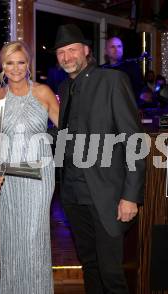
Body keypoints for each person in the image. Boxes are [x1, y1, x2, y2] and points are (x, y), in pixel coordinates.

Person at [54, 24, 146, 294]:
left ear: (86, 51)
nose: (67, 57)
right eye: (61, 52)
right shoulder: (63, 86)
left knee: (111, 273)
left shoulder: (112, 81)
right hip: (73, 195)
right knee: (90, 265)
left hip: (107, 195)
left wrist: (131, 195)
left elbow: (134, 140)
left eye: (72, 50)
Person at [0, 41, 59, 293]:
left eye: (21, 62)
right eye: (10, 62)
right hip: (8, 179)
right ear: (2, 66)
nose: (16, 68)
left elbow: (67, 127)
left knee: (33, 237)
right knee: (11, 238)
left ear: (28, 64)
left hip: (40, 175)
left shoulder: (43, 92)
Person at [102, 36, 144, 102]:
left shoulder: (132, 67)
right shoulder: (102, 69)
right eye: (113, 47)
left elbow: (138, 90)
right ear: (106, 51)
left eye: (119, 46)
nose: (116, 50)